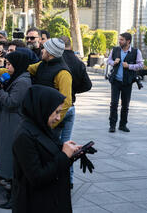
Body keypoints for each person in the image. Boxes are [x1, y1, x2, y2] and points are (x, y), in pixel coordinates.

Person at [12, 85, 81, 213]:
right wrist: (64, 156)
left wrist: (70, 152)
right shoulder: (24, 136)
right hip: (36, 204)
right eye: (56, 112)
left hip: (51, 199)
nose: (58, 118)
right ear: (42, 108)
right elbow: (37, 177)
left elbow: (49, 155)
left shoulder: (41, 126)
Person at [0, 51, 31, 209]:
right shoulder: (18, 78)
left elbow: (12, 102)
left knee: (14, 161)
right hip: (10, 123)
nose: (6, 67)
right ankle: (13, 193)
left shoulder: (23, 82)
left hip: (15, 124)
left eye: (9, 64)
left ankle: (16, 197)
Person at [59, 35, 92, 188]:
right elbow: (87, 85)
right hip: (71, 105)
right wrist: (73, 91)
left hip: (57, 108)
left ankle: (58, 178)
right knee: (68, 143)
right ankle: (69, 180)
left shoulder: (57, 60)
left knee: (55, 144)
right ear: (71, 45)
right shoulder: (78, 63)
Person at [107, 32, 143, 133]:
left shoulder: (136, 52)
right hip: (116, 81)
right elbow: (108, 60)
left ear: (128, 41)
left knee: (125, 105)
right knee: (114, 104)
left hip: (127, 82)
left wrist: (129, 66)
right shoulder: (115, 50)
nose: (119, 41)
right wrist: (113, 62)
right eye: (119, 39)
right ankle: (112, 125)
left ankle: (123, 125)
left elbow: (140, 65)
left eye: (122, 40)